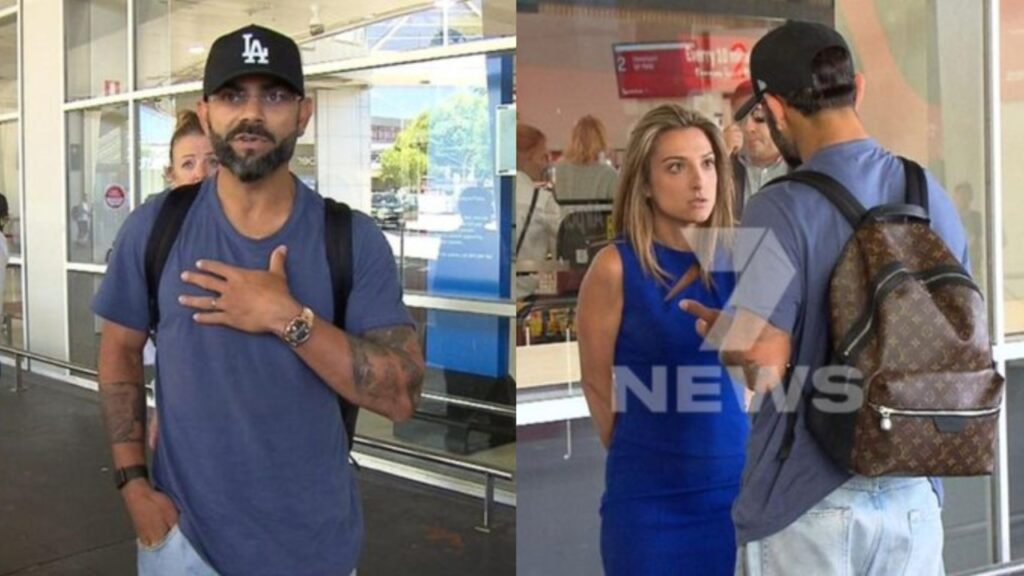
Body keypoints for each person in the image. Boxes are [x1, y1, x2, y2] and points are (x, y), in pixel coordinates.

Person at [93, 24, 424, 576]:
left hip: (316, 549)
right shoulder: (156, 228)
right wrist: (133, 486)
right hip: (184, 547)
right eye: (232, 96)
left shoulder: (351, 239)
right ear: (205, 113)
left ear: (304, 113)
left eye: (273, 96)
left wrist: (287, 317)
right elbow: (119, 352)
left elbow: (401, 395)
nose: (252, 114)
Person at [681, 21, 966, 575]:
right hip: (915, 501)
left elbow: (762, 366)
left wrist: (724, 332)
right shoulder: (928, 192)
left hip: (809, 503)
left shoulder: (780, 206)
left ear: (776, 109)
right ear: (856, 88)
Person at [576, 104, 749, 575]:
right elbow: (595, 382)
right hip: (649, 505)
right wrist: (645, 451)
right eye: (677, 167)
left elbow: (765, 376)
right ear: (646, 184)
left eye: (708, 163)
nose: (699, 180)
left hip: (736, 497)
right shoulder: (615, 266)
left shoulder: (745, 259)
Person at [144, 109, 219, 449]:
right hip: (183, 420)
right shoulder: (156, 238)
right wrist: (161, 405)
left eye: (213, 161)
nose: (201, 174)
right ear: (171, 175)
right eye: (188, 164)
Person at [728, 80, 789, 219]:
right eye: (741, 119)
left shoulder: (802, 165)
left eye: (759, 116)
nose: (748, 128)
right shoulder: (726, 168)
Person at [515, 123, 559, 298]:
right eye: (542, 157)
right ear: (527, 158)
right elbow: (562, 246)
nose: (544, 165)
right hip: (523, 295)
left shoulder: (490, 193)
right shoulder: (542, 200)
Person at [553, 114, 618, 205]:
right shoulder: (609, 174)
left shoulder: (560, 169)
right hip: (597, 219)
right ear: (601, 139)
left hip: (566, 219)